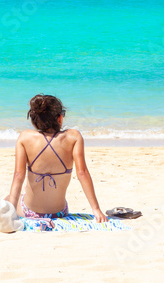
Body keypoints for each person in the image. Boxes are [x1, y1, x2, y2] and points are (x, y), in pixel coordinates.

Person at [6, 94, 108, 223]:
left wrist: (11, 212)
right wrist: (96, 209)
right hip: (60, 212)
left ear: (34, 120)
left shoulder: (25, 137)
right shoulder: (73, 137)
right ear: (60, 118)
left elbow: (18, 175)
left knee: (7, 199)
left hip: (30, 212)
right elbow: (82, 173)